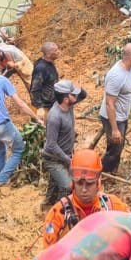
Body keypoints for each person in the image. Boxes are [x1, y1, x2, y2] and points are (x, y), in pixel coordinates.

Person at [42, 149, 130, 248]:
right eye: (79, 183)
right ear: (73, 183)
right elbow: (48, 254)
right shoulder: (57, 214)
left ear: (98, 182)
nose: (84, 189)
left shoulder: (114, 206)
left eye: (89, 184)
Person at [99, 43, 131, 174]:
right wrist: (114, 129)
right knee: (115, 149)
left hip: (121, 115)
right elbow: (109, 103)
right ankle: (100, 174)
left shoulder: (128, 67)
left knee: (118, 146)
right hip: (114, 117)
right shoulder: (116, 75)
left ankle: (112, 171)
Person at [41, 80, 86, 208]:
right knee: (67, 186)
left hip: (64, 155)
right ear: (66, 99)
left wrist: (76, 88)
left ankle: (46, 205)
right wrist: (68, 160)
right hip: (53, 159)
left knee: (55, 183)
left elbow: (83, 95)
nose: (76, 97)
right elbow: (51, 145)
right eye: (73, 95)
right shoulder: (54, 117)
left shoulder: (69, 104)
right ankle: (60, 211)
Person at [30, 42, 61, 110]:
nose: (58, 51)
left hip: (52, 103)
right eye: (55, 50)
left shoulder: (50, 63)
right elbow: (35, 89)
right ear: (48, 54)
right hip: (45, 106)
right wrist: (40, 107)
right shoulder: (41, 68)